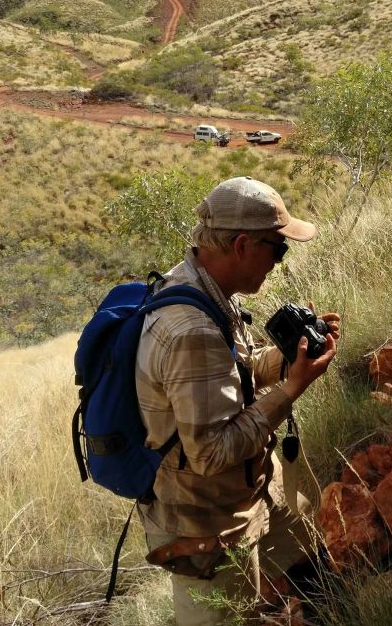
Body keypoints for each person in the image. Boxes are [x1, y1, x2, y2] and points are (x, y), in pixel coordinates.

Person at [135, 176, 338, 625]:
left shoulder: (201, 287)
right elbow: (210, 452)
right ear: (243, 245)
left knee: (316, 575)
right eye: (277, 249)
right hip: (206, 524)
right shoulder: (191, 329)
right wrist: (292, 389)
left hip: (253, 488)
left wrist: (290, 359)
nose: (279, 262)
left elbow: (229, 374)